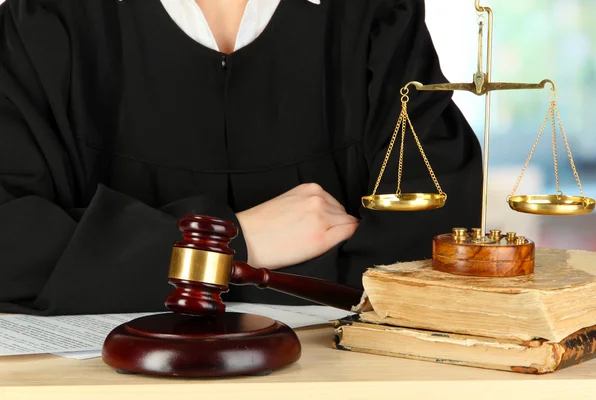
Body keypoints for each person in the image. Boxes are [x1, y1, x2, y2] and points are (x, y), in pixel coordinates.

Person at [0, 0, 482, 316]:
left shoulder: (375, 18)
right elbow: (13, 249)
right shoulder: (47, 22)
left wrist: (123, 266)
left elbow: (431, 243)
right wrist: (234, 243)